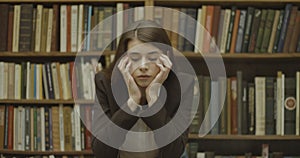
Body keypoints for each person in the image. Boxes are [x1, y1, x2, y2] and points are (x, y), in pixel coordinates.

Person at [92, 20, 195, 158]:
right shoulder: (105, 82)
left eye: (152, 57)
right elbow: (101, 151)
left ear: (166, 57)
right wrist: (132, 103)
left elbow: (174, 151)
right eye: (135, 58)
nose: (143, 66)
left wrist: (153, 100)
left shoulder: (183, 85)